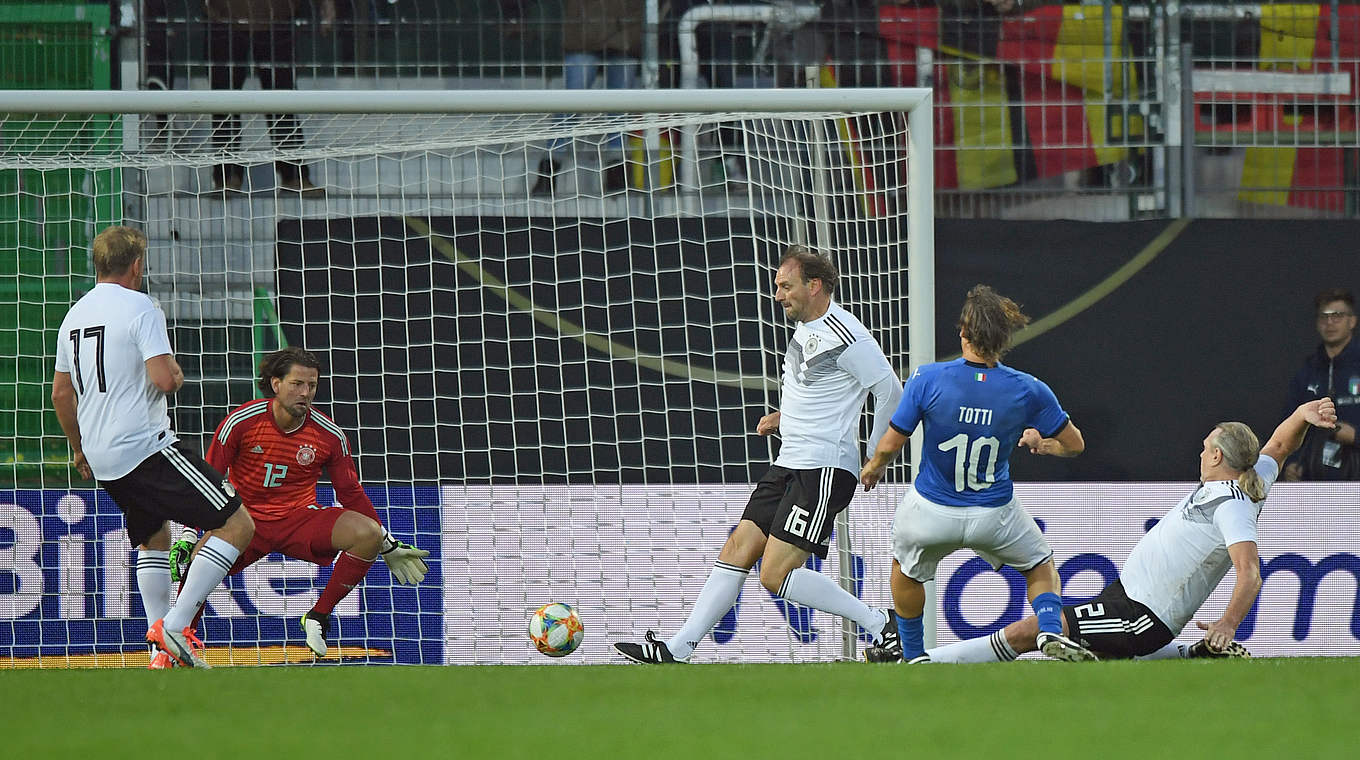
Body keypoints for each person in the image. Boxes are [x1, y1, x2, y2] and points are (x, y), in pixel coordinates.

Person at [613, 246, 905, 663]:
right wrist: (784, 418)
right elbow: (822, 393)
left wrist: (877, 456)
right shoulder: (807, 328)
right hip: (790, 460)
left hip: (822, 468)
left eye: (785, 286)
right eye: (776, 287)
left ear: (815, 285)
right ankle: (678, 648)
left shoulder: (849, 335)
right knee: (738, 546)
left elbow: (889, 390)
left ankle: (880, 623)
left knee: (775, 575)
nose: (778, 295)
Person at [917, 397, 1338, 663]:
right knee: (1094, 652)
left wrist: (1229, 624)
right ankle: (1194, 655)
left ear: (1214, 454)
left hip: (1142, 616)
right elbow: (1280, 446)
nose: (1199, 449)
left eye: (1205, 443)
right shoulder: (1248, 477)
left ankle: (923, 662)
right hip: (1126, 598)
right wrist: (1302, 414)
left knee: (1036, 630)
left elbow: (1250, 573)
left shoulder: (1233, 505)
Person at [51, 225, 255, 669]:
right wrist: (176, 375)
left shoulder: (74, 315)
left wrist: (79, 448)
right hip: (144, 446)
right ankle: (176, 627)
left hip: (104, 457)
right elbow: (164, 379)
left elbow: (60, 395)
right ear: (137, 265)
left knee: (153, 538)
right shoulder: (142, 307)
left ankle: (159, 654)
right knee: (238, 525)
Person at [859, 284, 1087, 663]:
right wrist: (1043, 443)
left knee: (905, 570)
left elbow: (890, 444)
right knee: (1038, 565)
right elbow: (1075, 444)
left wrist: (874, 467)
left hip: (931, 510)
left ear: (963, 331)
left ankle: (913, 655)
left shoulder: (928, 378)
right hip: (994, 514)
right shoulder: (1029, 389)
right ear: (1004, 338)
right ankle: (1048, 628)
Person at [171, 347, 429, 661]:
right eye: (297, 384)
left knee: (367, 535)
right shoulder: (241, 422)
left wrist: (385, 541)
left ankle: (318, 616)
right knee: (195, 571)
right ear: (275, 384)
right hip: (244, 523)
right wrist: (188, 532)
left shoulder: (329, 435)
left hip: (297, 520)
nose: (305, 393)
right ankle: (176, 646)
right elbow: (208, 479)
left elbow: (350, 492)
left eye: (312, 386)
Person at [203, 0, 334, 195]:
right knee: (225, 101)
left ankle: (293, 174)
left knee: (282, 101)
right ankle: (226, 176)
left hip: (276, 17)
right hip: (225, 18)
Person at [1283, 288, 1359, 481]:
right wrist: (1291, 462)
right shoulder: (1308, 371)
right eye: (1324, 316)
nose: (1330, 322)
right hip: (1315, 485)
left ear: (1352, 321)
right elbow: (1290, 423)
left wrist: (1356, 436)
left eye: (1337, 315)